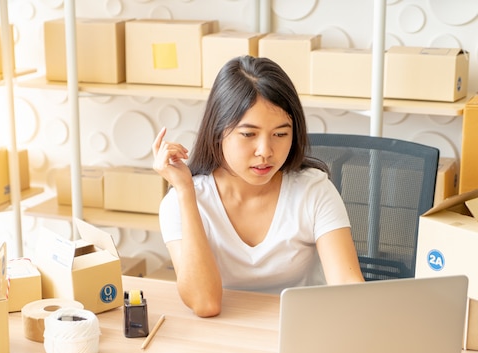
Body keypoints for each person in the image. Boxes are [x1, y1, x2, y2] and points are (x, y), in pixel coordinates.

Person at [152, 55, 364, 318]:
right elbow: (205, 304)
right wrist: (185, 193)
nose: (265, 152)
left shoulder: (314, 191)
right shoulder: (180, 202)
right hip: (225, 336)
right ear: (218, 132)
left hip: (303, 332)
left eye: (280, 134)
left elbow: (348, 289)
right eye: (248, 134)